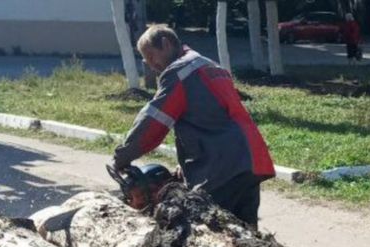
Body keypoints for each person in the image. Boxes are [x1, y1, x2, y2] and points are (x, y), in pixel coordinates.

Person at [114, 25, 275, 229]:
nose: (151, 65)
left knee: (206, 233)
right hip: (250, 160)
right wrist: (189, 163)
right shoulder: (209, 66)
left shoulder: (179, 72)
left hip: (222, 168)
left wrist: (124, 155)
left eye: (152, 56)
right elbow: (213, 116)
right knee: (246, 234)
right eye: (146, 60)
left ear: (166, 44)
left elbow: (154, 121)